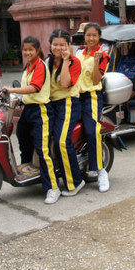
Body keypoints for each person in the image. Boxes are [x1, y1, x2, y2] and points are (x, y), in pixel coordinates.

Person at [2, 36, 60, 204]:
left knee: (43, 149)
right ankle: (29, 169)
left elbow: (34, 87)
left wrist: (12, 90)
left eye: (30, 49)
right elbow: (27, 90)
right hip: (28, 110)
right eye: (25, 49)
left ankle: (52, 187)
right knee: (22, 136)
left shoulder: (40, 66)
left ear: (37, 51)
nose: (27, 52)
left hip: (40, 110)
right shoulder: (28, 67)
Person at [47, 29, 85, 197]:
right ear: (50, 45)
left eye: (63, 45)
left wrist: (65, 60)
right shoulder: (48, 62)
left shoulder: (73, 62)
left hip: (68, 103)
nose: (59, 47)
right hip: (52, 105)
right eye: (55, 44)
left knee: (62, 141)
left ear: (69, 46)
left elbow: (64, 84)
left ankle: (75, 182)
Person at [75, 22, 111, 192]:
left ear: (99, 37)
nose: (91, 38)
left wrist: (96, 62)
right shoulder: (79, 54)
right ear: (84, 36)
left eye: (94, 35)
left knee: (91, 131)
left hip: (92, 97)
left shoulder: (103, 55)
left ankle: (101, 171)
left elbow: (96, 80)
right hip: (76, 97)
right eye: (88, 35)